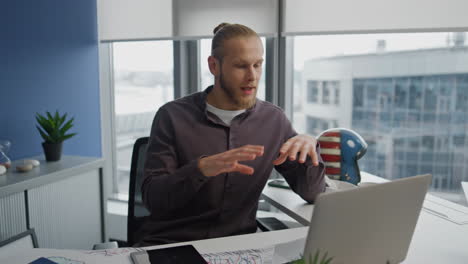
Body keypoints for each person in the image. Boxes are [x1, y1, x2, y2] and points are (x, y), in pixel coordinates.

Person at [138, 23, 325, 246]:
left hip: (239, 247)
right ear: (214, 66)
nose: (252, 76)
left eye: (258, 65)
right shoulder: (171, 116)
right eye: (241, 66)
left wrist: (308, 144)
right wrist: (200, 169)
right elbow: (154, 200)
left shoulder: (274, 121)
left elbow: (314, 193)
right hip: (174, 245)